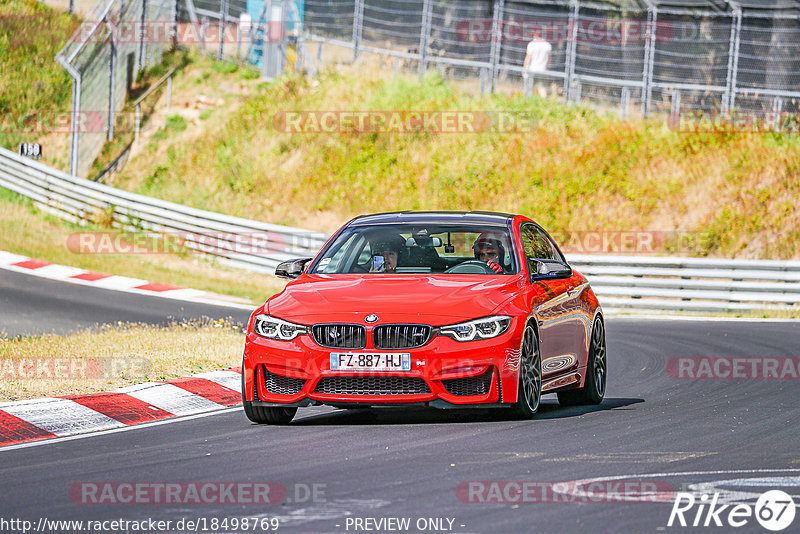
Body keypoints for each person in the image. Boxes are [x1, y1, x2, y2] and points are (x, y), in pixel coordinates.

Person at [523, 27, 552, 98]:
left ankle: (528, 101)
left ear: (535, 35)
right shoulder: (548, 45)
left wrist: (524, 69)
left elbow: (528, 58)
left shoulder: (531, 44)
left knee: (528, 87)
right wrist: (547, 68)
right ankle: (544, 102)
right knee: (542, 87)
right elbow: (549, 60)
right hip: (542, 69)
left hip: (532, 69)